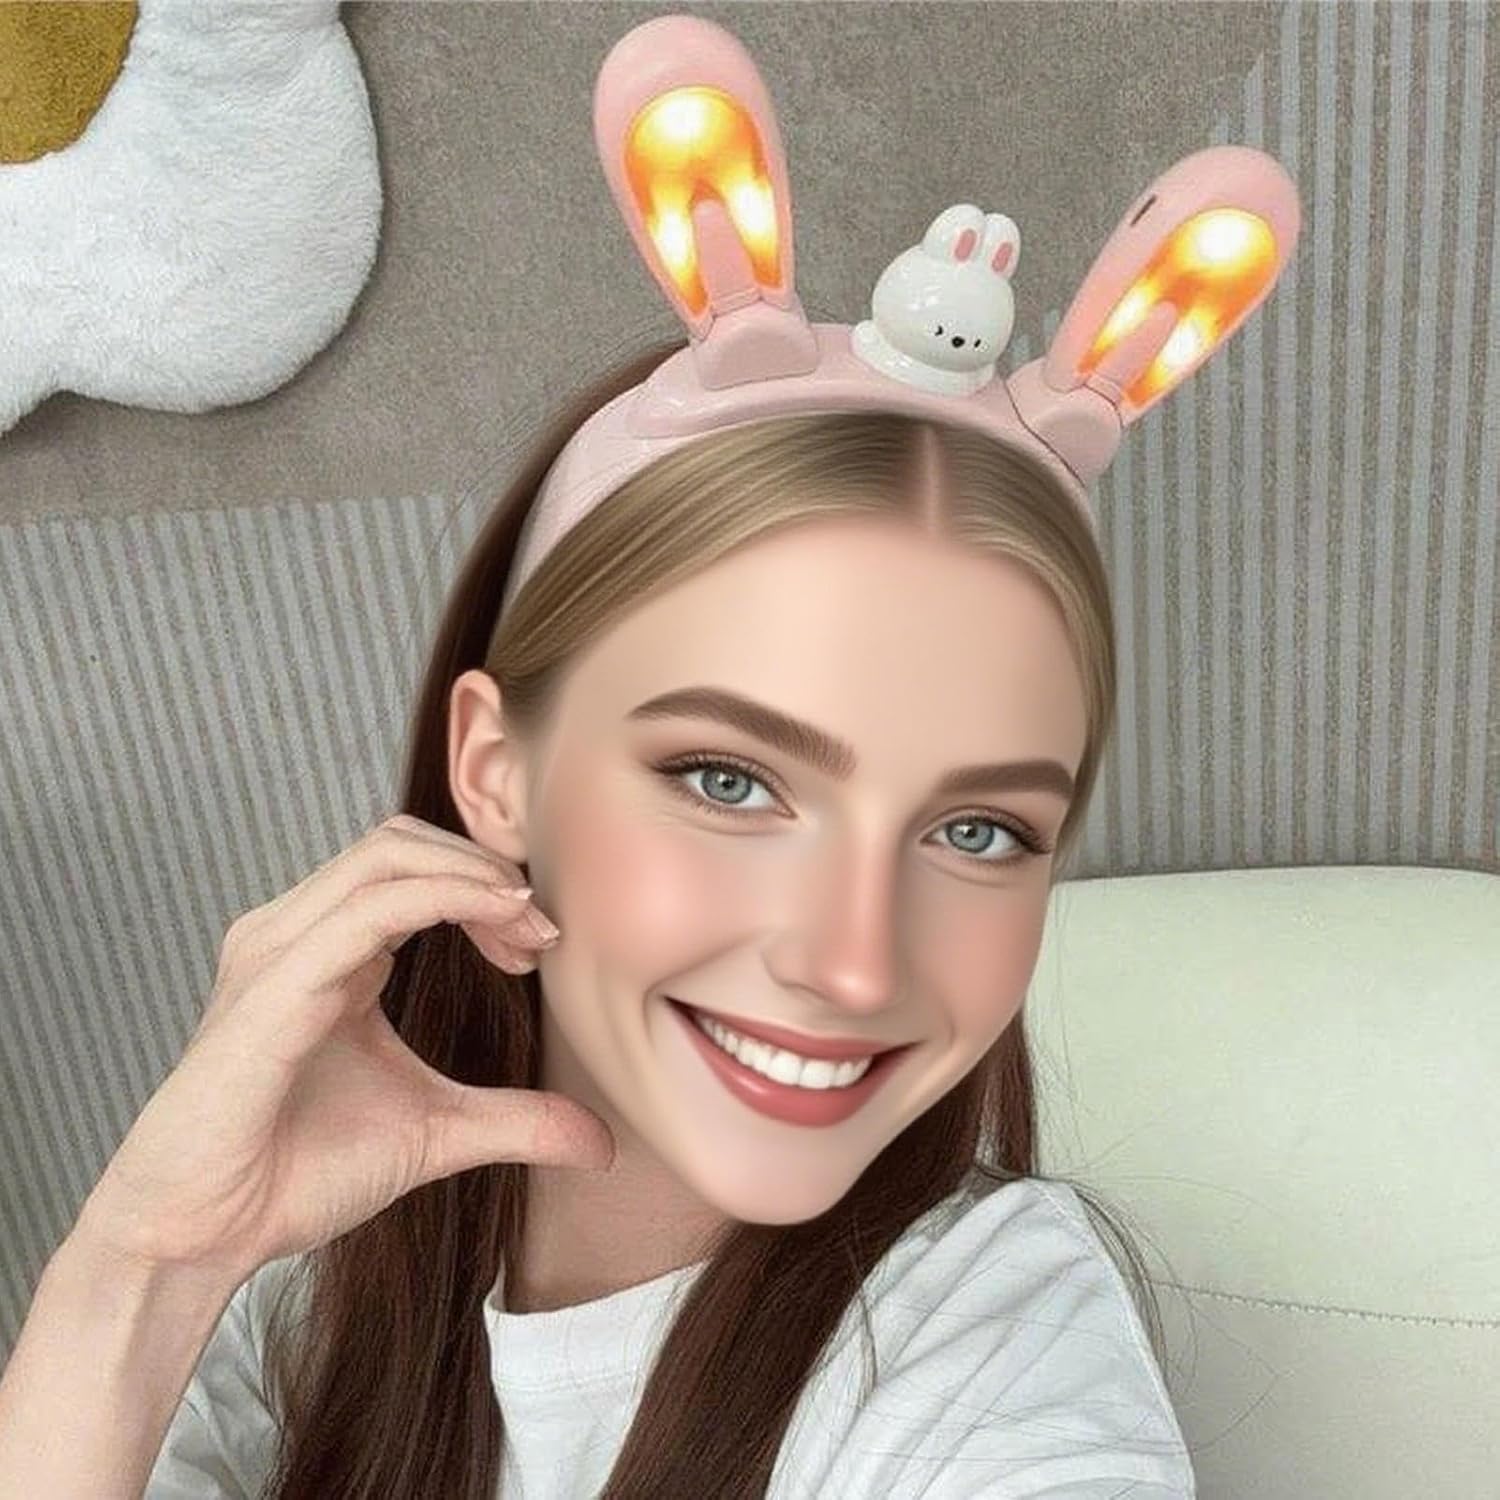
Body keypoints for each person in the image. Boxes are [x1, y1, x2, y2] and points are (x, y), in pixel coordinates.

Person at [0, 14, 1300, 1500]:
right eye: (731, 781)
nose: (851, 963)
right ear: (497, 771)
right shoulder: (300, 1288)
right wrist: (144, 1264)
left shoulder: (987, 1342)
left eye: (979, 832)